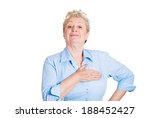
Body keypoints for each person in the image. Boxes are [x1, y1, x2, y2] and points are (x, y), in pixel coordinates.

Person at [42, 10, 136, 101]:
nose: (74, 29)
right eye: (70, 26)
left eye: (80, 26)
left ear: (87, 34)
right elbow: (49, 100)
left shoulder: (101, 58)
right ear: (64, 33)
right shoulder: (51, 62)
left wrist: (110, 107)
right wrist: (77, 76)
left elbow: (127, 76)